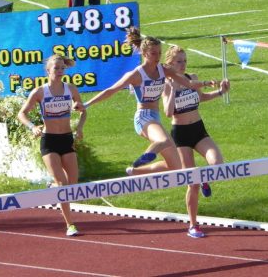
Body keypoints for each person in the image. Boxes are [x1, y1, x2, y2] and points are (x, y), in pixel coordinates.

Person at [84, 28, 215, 176]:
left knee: (176, 166)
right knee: (163, 140)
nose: (157, 57)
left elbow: (188, 83)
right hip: (143, 117)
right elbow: (111, 90)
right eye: (154, 53)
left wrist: (206, 82)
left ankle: (135, 171)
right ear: (144, 53)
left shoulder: (163, 70)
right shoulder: (136, 75)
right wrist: (86, 104)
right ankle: (144, 157)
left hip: (155, 117)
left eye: (159, 53)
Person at [162, 45, 229, 238]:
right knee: (192, 183)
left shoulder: (192, 78)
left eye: (184, 61)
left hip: (198, 129)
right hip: (180, 135)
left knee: (218, 164)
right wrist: (174, 89)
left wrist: (220, 92)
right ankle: (193, 225)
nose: (182, 65)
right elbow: (168, 112)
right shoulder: (167, 84)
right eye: (178, 62)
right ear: (170, 64)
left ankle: (206, 179)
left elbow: (202, 97)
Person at [17, 54, 87, 237]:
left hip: (66, 139)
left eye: (62, 68)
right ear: (48, 70)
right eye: (56, 68)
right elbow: (21, 114)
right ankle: (70, 224)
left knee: (72, 184)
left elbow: (83, 111)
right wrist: (32, 127)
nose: (60, 71)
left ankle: (52, 188)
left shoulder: (70, 89)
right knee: (63, 184)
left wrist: (79, 127)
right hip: (49, 141)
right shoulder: (40, 92)